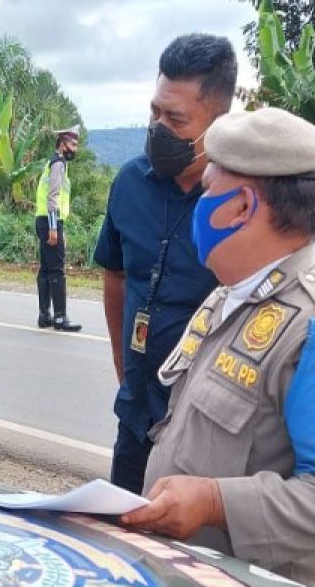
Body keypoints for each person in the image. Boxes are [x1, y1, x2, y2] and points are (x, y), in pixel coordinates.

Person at [121, 107, 315, 587]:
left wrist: (214, 502)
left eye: (208, 192)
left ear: (242, 207)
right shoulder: (235, 293)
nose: (199, 206)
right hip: (204, 584)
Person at [92, 33, 234, 494]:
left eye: (175, 119)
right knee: (124, 545)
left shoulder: (248, 202)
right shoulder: (129, 183)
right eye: (155, 111)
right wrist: (125, 371)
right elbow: (115, 277)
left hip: (209, 436)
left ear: (218, 123)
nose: (158, 127)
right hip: (136, 416)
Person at [34, 125, 82, 331]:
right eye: (72, 144)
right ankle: (60, 317)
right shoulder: (58, 164)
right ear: (62, 144)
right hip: (50, 220)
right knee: (57, 269)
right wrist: (54, 228)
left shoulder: (53, 162)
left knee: (46, 268)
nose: (74, 149)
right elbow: (53, 196)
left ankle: (45, 316)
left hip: (44, 219)